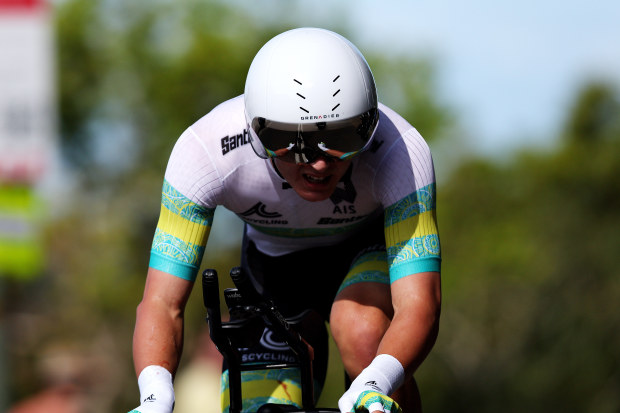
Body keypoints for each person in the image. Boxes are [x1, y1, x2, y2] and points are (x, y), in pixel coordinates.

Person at [129, 27, 441, 413]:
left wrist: (376, 383)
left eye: (344, 136)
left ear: (368, 124)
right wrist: (154, 399)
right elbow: (162, 302)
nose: (321, 162)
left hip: (365, 251)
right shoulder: (206, 152)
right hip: (274, 269)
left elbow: (420, 306)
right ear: (257, 131)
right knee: (262, 408)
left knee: (361, 330)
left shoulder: (399, 151)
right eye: (294, 141)